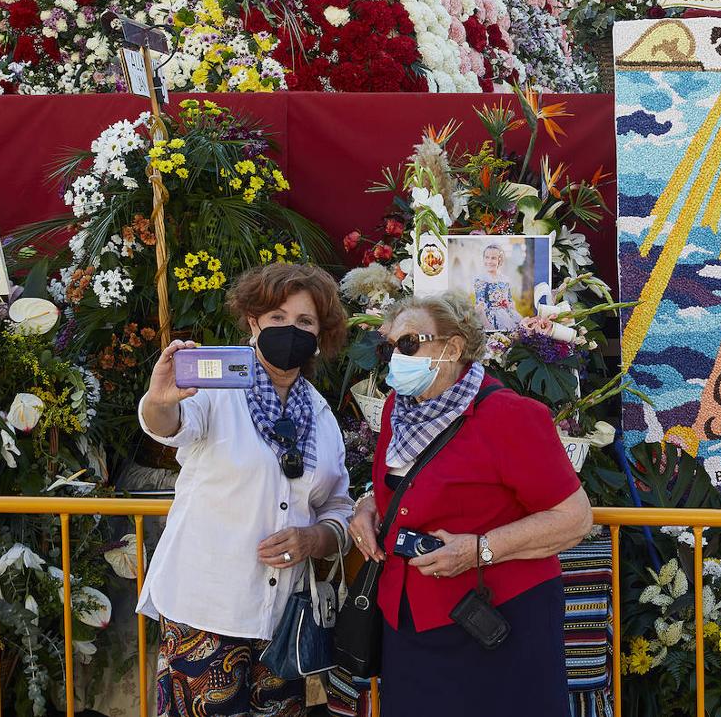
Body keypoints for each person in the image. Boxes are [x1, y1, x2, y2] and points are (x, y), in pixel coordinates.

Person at [348, 292, 592, 717]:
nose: (394, 357)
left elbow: (573, 519)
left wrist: (477, 549)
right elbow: (405, 485)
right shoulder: (395, 410)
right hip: (408, 620)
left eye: (408, 344)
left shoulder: (510, 415)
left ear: (453, 347)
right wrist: (368, 506)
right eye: (389, 347)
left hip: (494, 622)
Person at [138, 263, 354, 717]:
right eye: (277, 317)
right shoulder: (214, 390)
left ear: (320, 333)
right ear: (253, 322)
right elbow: (171, 426)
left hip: (281, 622)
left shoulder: (320, 415)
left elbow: (337, 506)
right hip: (206, 609)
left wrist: (315, 538)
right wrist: (159, 402)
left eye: (304, 322)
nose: (289, 330)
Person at [472, 243, 522, 330]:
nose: (489, 261)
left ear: (500, 260)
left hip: (507, 315)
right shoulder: (481, 280)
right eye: (487, 257)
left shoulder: (505, 279)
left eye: (493, 258)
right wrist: (488, 326)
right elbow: (480, 307)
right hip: (489, 319)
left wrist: (509, 307)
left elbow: (509, 300)